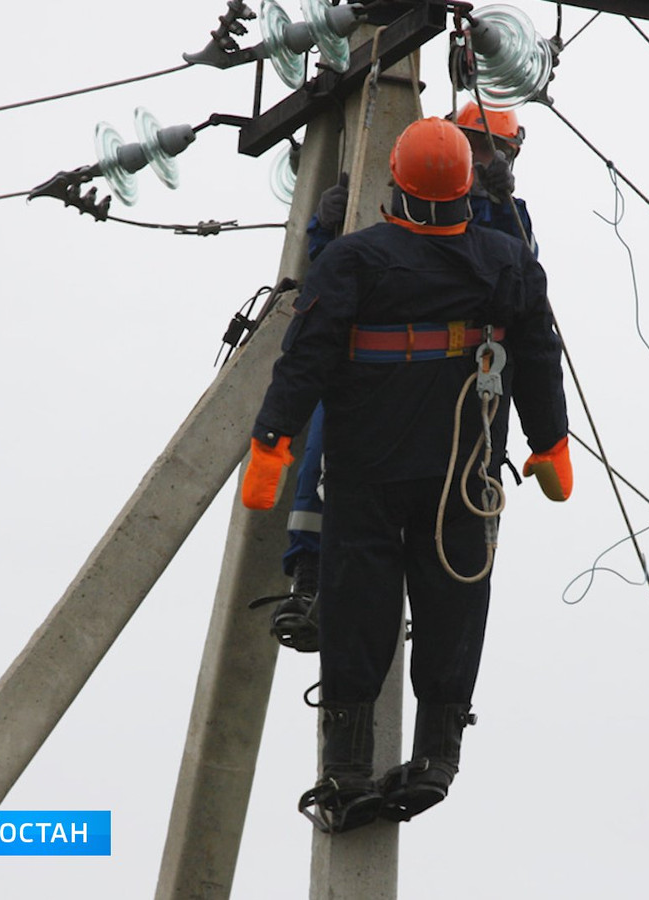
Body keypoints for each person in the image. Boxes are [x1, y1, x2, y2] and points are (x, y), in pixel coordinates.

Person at [240, 117, 573, 833]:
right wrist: (550, 442)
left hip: (369, 469)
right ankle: (437, 756)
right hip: (462, 468)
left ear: (396, 182)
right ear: (465, 188)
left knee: (357, 606)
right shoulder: (506, 258)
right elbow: (539, 353)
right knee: (454, 599)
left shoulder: (354, 261)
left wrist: (273, 441)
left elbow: (307, 357)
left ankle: (345, 768)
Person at [254, 101, 540, 655]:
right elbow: (347, 274)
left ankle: (427, 623)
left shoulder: (505, 218)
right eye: (472, 145)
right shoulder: (407, 196)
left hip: (459, 386)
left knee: (453, 507)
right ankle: (312, 578)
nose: (479, 159)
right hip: (386, 373)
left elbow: (522, 282)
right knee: (327, 440)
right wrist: (327, 229)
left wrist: (500, 207)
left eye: (491, 150)